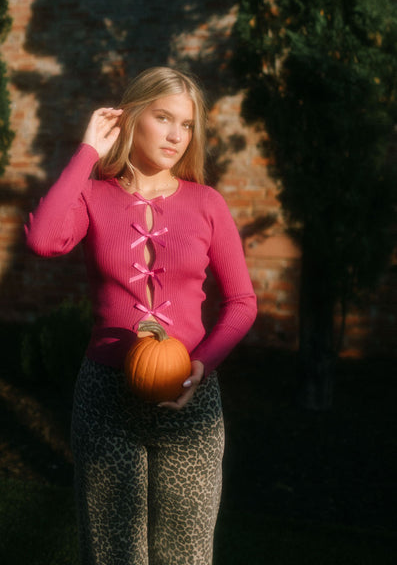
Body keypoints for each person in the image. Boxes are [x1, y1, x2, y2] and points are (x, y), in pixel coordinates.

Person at [25, 67, 257, 565]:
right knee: (113, 553)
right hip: (106, 396)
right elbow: (43, 240)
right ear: (132, 117)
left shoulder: (207, 203)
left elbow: (242, 302)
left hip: (189, 396)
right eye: (164, 117)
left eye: (188, 125)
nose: (177, 135)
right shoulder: (94, 195)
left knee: (186, 553)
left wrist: (202, 366)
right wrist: (88, 150)